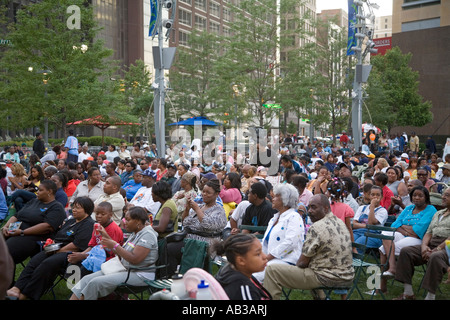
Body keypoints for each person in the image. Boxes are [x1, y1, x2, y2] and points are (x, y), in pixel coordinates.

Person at [263, 194, 354, 300]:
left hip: (326, 278)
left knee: (272, 270)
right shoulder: (339, 223)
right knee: (314, 265)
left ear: (325, 208)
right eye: (309, 207)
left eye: (314, 207)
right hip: (347, 276)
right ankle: (322, 298)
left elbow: (302, 263)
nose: (309, 211)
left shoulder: (316, 227)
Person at [6, 196, 95, 300]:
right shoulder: (72, 221)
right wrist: (51, 244)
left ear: (87, 210)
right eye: (73, 207)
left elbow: (76, 246)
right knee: (35, 260)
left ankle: (25, 295)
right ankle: (16, 288)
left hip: (70, 254)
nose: (74, 210)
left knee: (46, 264)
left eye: (78, 208)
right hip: (56, 248)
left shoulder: (89, 224)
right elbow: (59, 236)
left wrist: (57, 251)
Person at [70, 206, 159, 300]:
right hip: (125, 269)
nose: (124, 222)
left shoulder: (148, 235)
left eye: (128, 220)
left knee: (95, 283)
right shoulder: (136, 232)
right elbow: (122, 254)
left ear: (137, 221)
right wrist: (108, 240)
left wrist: (115, 245)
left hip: (140, 275)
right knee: (86, 279)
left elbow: (135, 259)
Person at [393, 187, 450, 300]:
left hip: (447, 247)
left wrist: (437, 249)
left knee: (435, 256)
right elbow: (428, 232)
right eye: (444, 194)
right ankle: (408, 292)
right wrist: (424, 247)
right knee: (406, 251)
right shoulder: (439, 213)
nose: (443, 196)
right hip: (431, 244)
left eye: (447, 195)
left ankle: (430, 296)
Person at [166, 179, 227, 277]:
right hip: (191, 239)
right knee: (165, 244)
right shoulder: (201, 206)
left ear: (216, 194)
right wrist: (187, 209)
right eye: (203, 191)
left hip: (205, 243)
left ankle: (172, 277)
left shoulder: (219, 211)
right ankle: (170, 275)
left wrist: (197, 209)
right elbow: (185, 223)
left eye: (208, 193)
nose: (204, 194)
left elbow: (208, 225)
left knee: (170, 249)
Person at [2, 180, 67, 267]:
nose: (37, 192)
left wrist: (22, 232)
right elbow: (16, 216)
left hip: (33, 236)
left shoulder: (56, 207)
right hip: (14, 230)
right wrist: (6, 227)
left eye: (40, 190)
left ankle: (6, 280)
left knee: (5, 253)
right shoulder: (33, 201)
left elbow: (47, 226)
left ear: (49, 192)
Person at [379, 185, 437, 281]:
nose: (417, 198)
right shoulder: (409, 208)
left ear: (426, 197)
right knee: (386, 234)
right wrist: (407, 231)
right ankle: (392, 268)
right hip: (404, 236)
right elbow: (394, 225)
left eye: (420, 196)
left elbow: (418, 230)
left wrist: (402, 227)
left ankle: (381, 285)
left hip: (418, 240)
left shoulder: (431, 209)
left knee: (383, 249)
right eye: (414, 195)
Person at [253, 184, 304, 283]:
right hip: (270, 259)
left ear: (285, 200)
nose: (272, 198)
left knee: (254, 276)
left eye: (276, 196)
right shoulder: (274, 218)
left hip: (287, 261)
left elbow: (290, 242)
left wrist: (268, 258)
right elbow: (265, 243)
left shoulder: (294, 217)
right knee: (246, 269)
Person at [67, 201, 124, 278]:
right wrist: (80, 255)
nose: (99, 216)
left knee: (83, 269)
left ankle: (83, 287)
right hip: (95, 255)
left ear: (110, 215)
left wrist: (83, 256)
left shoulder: (113, 229)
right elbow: (92, 246)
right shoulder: (97, 225)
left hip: (109, 259)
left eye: (103, 214)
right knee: (72, 263)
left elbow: (110, 252)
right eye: (97, 213)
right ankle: (75, 287)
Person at [213, 234, 272, 300]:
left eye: (262, 251)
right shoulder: (243, 287)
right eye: (258, 254)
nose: (265, 256)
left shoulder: (232, 269)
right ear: (241, 260)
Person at [352, 185, 388, 253]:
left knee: (357, 245)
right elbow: (354, 224)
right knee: (347, 243)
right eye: (372, 194)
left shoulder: (382, 211)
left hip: (373, 235)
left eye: (378, 195)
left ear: (382, 197)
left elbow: (371, 223)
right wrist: (365, 226)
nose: (375, 197)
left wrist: (372, 206)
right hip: (358, 232)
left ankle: (355, 262)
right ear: (369, 196)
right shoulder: (362, 208)